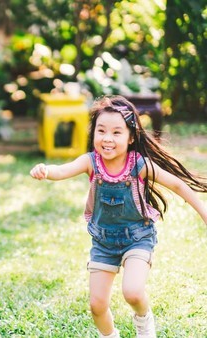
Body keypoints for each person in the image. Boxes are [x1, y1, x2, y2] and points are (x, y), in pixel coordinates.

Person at [30, 95, 207, 338]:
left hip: (137, 237)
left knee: (132, 292)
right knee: (97, 306)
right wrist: (45, 170)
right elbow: (62, 170)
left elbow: (177, 185)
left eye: (116, 132)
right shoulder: (91, 162)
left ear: (131, 137)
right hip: (103, 242)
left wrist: (203, 211)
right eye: (101, 131)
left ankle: (144, 324)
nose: (107, 139)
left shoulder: (139, 165)